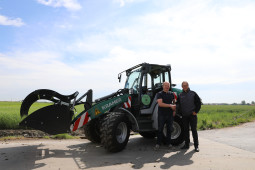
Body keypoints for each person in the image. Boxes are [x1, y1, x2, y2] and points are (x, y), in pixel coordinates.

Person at [177, 81, 201, 152]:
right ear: (182, 87)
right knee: (185, 131)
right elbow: (178, 105)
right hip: (184, 116)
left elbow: (198, 103)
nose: (184, 86)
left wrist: (195, 111)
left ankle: (196, 146)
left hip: (192, 115)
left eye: (186, 85)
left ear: (188, 86)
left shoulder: (193, 93)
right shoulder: (180, 95)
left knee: (194, 130)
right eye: (183, 85)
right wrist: (180, 113)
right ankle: (186, 145)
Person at [155, 82, 176, 150]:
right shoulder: (159, 94)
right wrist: (170, 105)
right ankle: (158, 144)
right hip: (162, 115)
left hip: (170, 114)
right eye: (165, 86)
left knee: (169, 129)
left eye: (168, 86)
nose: (167, 87)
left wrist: (174, 111)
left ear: (169, 87)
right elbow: (160, 104)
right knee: (160, 129)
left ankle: (169, 144)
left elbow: (174, 103)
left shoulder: (171, 94)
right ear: (163, 86)